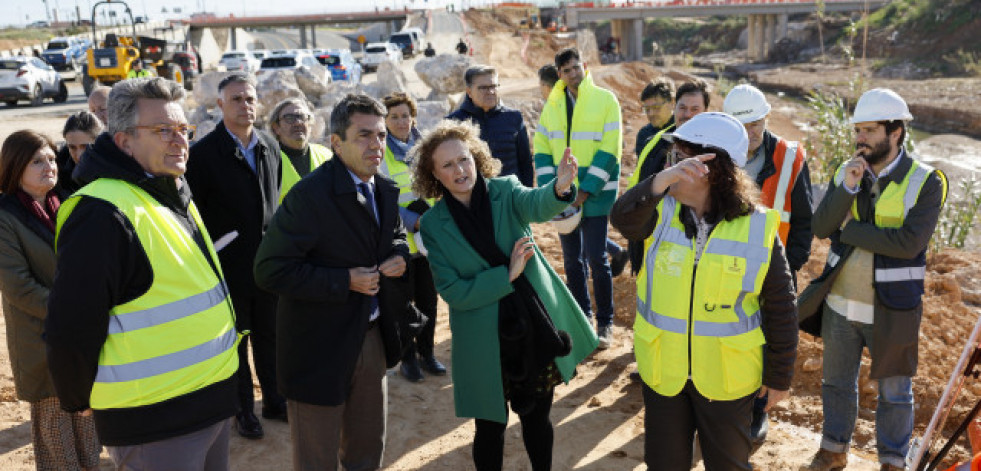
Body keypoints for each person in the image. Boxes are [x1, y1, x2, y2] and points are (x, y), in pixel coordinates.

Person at [45, 77, 239, 469]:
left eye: (183, 129)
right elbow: (71, 326)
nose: (179, 140)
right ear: (124, 142)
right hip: (156, 420)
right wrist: (78, 397)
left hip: (210, 402)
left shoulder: (169, 190)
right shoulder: (101, 213)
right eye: (162, 130)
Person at [610, 112, 798, 470]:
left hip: (728, 379)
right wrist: (661, 179)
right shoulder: (659, 210)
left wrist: (778, 377)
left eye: (680, 159)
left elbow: (781, 305)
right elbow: (622, 219)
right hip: (666, 373)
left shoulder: (757, 227)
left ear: (712, 167)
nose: (671, 168)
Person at [414, 119, 598, 471]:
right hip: (482, 339)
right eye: (448, 165)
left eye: (464, 159)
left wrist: (560, 186)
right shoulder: (434, 225)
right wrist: (506, 275)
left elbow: (538, 204)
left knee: (538, 419)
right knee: (489, 427)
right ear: (434, 174)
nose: (460, 170)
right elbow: (453, 292)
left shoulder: (506, 190)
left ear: (476, 157)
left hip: (532, 326)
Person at [254, 94, 410, 471]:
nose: (376, 145)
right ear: (336, 143)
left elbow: (396, 236)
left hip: (371, 337)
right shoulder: (308, 197)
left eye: (380, 135)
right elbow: (269, 269)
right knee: (316, 459)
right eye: (363, 136)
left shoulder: (383, 189)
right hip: (317, 346)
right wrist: (344, 281)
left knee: (366, 450)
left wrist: (399, 257)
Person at [798, 88, 947, 471]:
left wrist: (850, 231)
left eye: (869, 130)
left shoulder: (927, 181)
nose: (860, 138)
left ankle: (893, 462)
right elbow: (821, 227)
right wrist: (847, 187)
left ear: (895, 131)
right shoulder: (847, 173)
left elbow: (908, 244)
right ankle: (833, 450)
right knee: (836, 384)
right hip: (839, 305)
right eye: (858, 130)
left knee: (896, 393)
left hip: (893, 308)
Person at [186, 73, 284, 440]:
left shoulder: (269, 147)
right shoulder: (203, 155)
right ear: (220, 106)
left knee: (270, 336)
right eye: (237, 99)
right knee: (237, 342)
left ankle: (275, 400)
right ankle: (243, 410)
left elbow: (272, 204)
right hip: (229, 269)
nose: (245, 105)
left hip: (267, 267)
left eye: (250, 98)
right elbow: (195, 213)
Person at [0, 130, 101, 471]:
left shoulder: (67, 204)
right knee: (56, 434)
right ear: (15, 167)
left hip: (81, 335)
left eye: (52, 159)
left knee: (88, 425)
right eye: (37, 161)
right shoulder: (5, 216)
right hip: (41, 337)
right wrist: (73, 312)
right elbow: (18, 287)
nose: (50, 167)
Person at [723, 83, 814, 450]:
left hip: (775, 272)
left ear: (766, 119)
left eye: (756, 126)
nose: (750, 136)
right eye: (742, 128)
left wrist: (789, 269)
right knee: (731, 336)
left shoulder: (790, 157)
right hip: (728, 268)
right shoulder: (720, 153)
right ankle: (728, 404)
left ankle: (758, 410)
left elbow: (803, 219)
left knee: (768, 343)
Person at [534, 48, 623, 348]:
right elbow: (543, 150)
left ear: (584, 67)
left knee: (597, 258)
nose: (573, 74)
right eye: (566, 70)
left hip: (594, 195)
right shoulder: (553, 105)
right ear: (559, 74)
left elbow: (611, 149)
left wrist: (585, 190)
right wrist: (554, 191)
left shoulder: (605, 100)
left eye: (576, 68)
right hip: (563, 196)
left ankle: (606, 323)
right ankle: (584, 318)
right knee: (572, 261)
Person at [381, 92, 446, 383]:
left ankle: (427, 353)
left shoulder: (427, 150)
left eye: (405, 115)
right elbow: (383, 200)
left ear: (413, 117)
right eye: (393, 116)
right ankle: (407, 358)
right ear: (385, 120)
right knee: (404, 304)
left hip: (429, 241)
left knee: (429, 301)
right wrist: (412, 220)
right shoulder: (381, 153)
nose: (400, 121)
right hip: (401, 243)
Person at [447, 65, 534, 188]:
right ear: (469, 92)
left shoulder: (514, 118)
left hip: (512, 196)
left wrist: (527, 197)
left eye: (493, 86)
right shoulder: (453, 122)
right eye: (483, 88)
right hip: (474, 199)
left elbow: (525, 162)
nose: (491, 92)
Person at [268, 97, 332, 201]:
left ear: (310, 125)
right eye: (289, 118)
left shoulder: (326, 155)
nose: (298, 123)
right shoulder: (267, 160)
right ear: (276, 128)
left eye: (302, 117)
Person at [56, 110, 103, 194]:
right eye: (72, 147)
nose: (79, 155)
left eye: (85, 147)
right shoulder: (59, 175)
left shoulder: (115, 170)